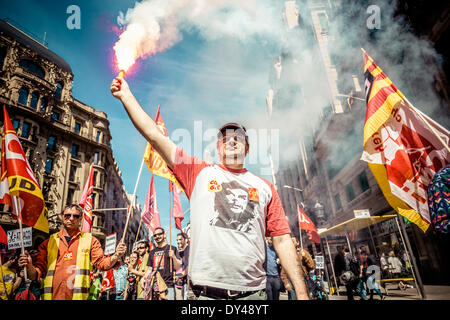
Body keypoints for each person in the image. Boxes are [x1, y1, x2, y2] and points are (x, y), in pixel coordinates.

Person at [110, 77, 309, 300]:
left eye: (239, 137)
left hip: (253, 296)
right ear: (218, 147)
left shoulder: (266, 188)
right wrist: (125, 96)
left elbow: (282, 240)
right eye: (226, 138)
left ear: (248, 147)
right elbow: (155, 136)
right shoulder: (199, 173)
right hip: (204, 295)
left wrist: (303, 295)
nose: (232, 141)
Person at [18, 204, 127, 300]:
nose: (71, 218)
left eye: (76, 216)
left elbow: (102, 264)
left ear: (80, 219)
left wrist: (116, 255)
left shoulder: (90, 240)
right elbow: (36, 274)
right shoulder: (49, 242)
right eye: (67, 215)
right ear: (62, 217)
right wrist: (29, 266)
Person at [143, 227, 181, 300]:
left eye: (159, 234)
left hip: (168, 286)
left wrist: (173, 257)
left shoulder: (172, 248)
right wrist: (144, 278)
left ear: (164, 235)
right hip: (155, 287)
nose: (157, 236)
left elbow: (178, 267)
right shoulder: (152, 252)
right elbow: (149, 269)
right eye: (155, 235)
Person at [175, 232, 190, 300]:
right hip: (184, 282)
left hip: (189, 283)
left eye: (180, 239)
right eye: (177, 240)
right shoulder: (183, 252)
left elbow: (189, 266)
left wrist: (179, 276)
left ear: (186, 240)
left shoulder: (189, 249)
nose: (178, 242)